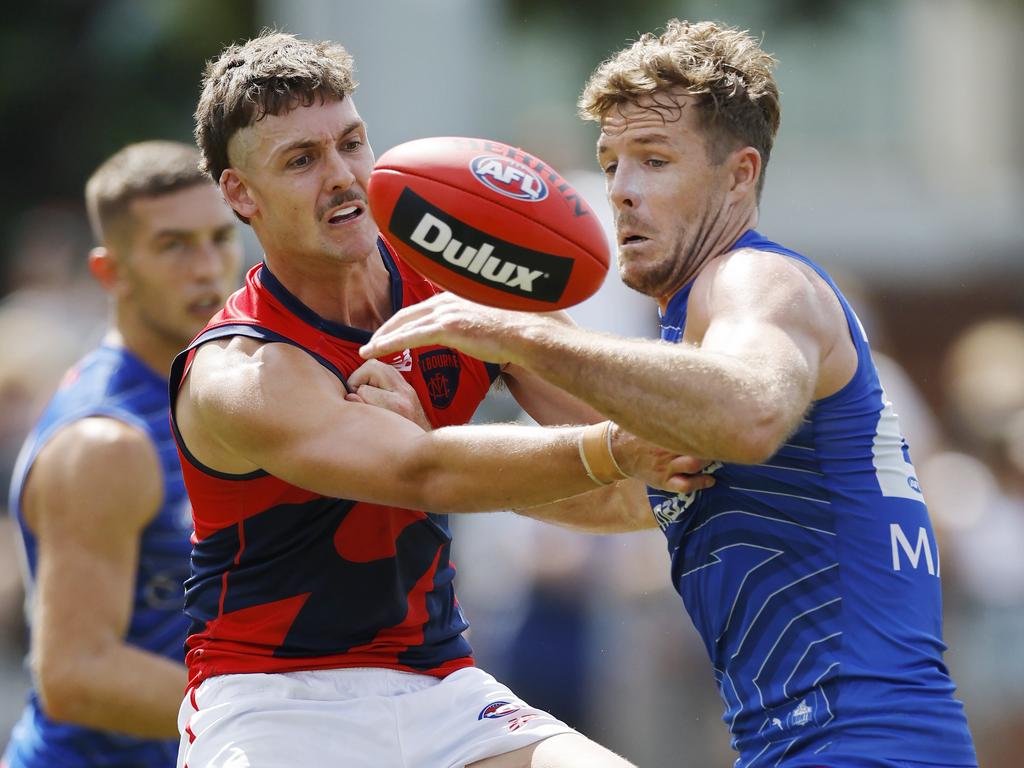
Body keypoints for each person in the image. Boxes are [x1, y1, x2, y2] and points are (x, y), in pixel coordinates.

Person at [361, 19, 980, 768]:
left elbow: (750, 411)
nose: (621, 192)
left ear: (739, 175)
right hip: (813, 745)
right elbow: (620, 493)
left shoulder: (757, 280)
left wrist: (519, 336)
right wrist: (426, 446)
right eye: (611, 163)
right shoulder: (689, 349)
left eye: (654, 160)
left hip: (860, 748)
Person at [171, 31, 702, 768]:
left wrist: (535, 349)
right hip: (273, 701)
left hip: (441, 685)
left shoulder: (461, 273)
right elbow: (426, 472)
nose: (343, 176)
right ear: (239, 194)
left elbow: (629, 475)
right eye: (301, 160)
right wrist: (608, 451)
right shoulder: (242, 369)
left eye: (352, 143)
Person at [3, 141, 242, 768]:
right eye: (173, 245)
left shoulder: (221, 391)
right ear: (111, 273)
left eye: (220, 237)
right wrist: (272, 719)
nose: (206, 267)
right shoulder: (104, 443)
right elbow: (77, 674)